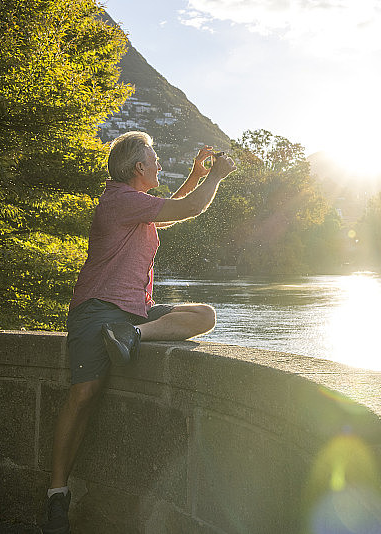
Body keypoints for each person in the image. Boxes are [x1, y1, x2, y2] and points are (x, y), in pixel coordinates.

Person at [41, 131, 235, 534]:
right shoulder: (119, 199)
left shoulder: (135, 204)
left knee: (204, 315)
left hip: (133, 313)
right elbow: (188, 210)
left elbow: (169, 211)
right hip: (97, 307)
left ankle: (133, 336)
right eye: (154, 155)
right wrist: (216, 177)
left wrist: (198, 175)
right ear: (138, 167)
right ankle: (57, 493)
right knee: (84, 394)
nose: (159, 161)